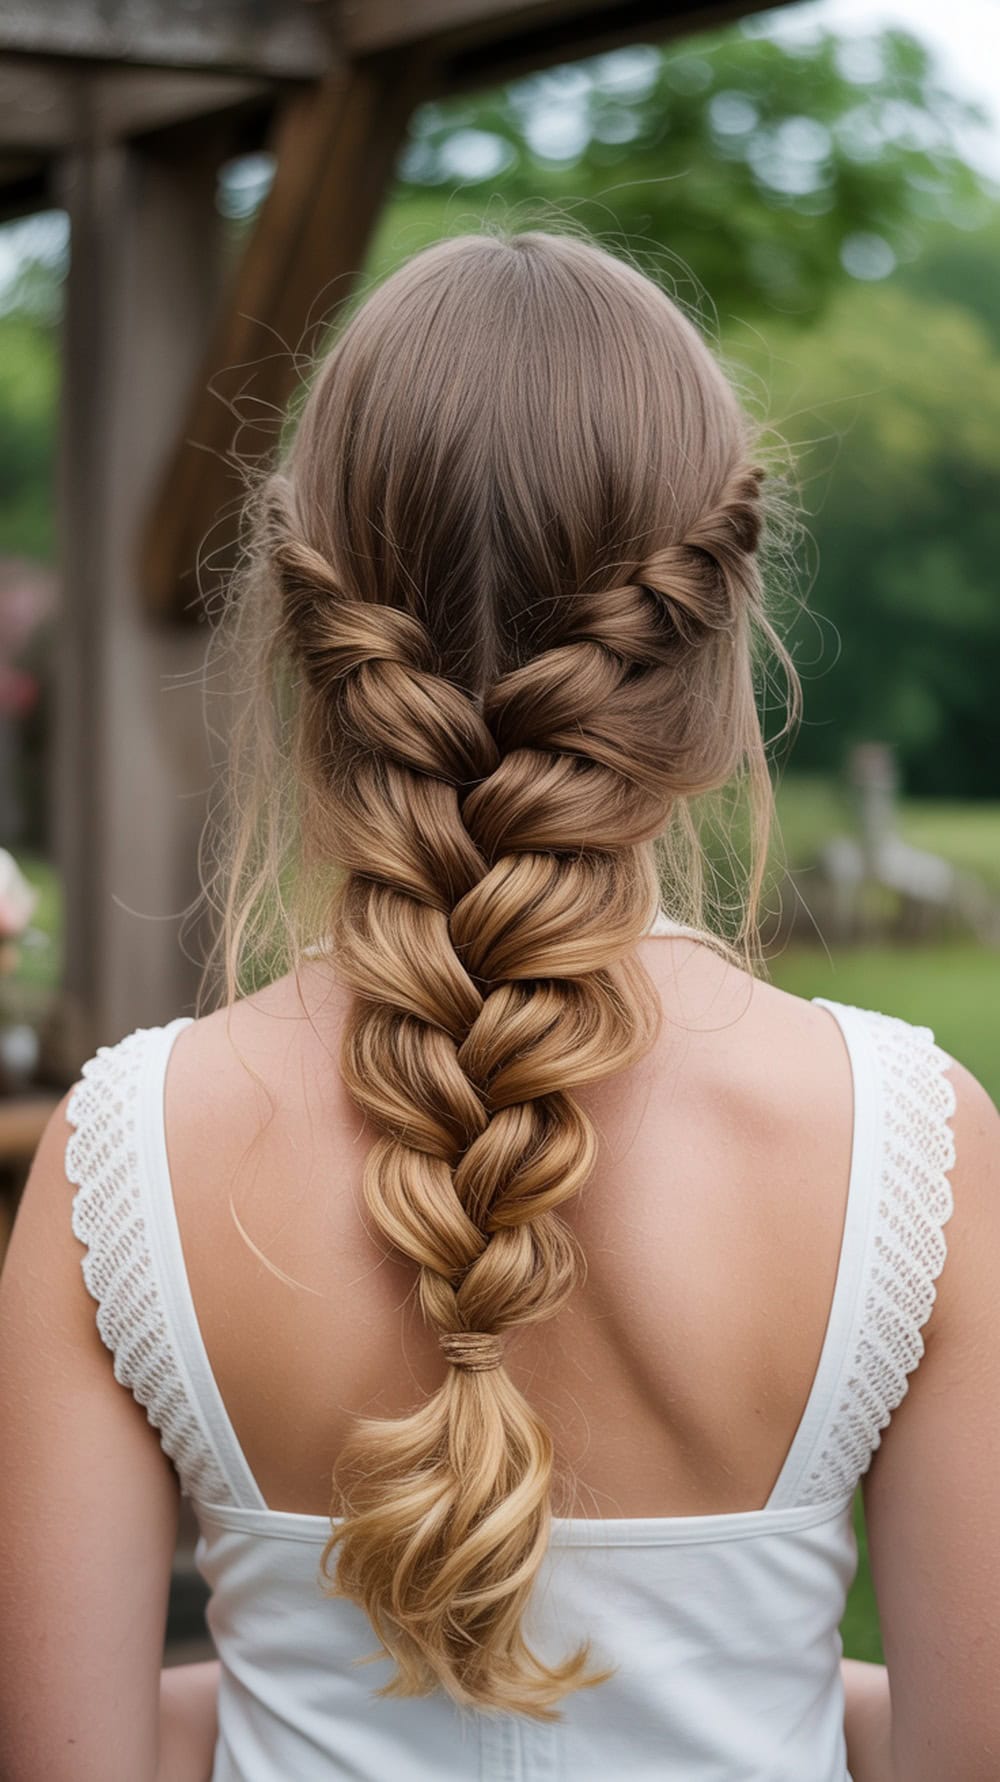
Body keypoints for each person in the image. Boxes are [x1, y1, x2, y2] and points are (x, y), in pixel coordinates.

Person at [0, 231, 997, 1782]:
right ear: (717, 646)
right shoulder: (913, 1141)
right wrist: (768, 1684)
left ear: (314, 636)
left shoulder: (123, 1150)